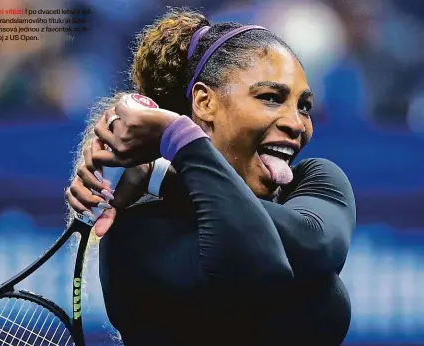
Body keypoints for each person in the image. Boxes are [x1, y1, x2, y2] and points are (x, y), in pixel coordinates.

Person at [65, 9, 356, 346]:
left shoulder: (314, 180)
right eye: (270, 98)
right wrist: (180, 141)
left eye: (303, 106)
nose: (297, 123)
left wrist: (169, 169)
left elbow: (315, 242)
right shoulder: (137, 231)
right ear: (204, 103)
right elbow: (256, 264)